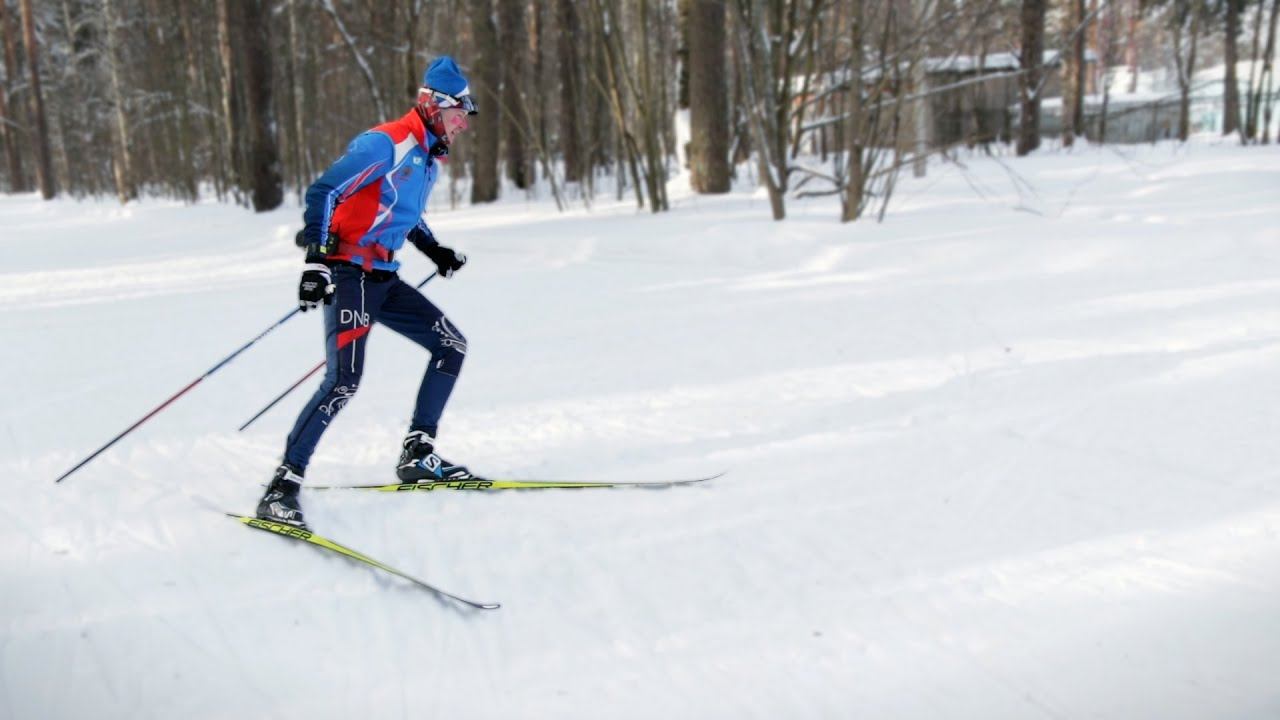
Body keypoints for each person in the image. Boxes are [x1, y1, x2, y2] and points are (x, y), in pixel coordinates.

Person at [257, 56, 479, 528]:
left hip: (382, 277)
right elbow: (324, 192)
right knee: (343, 381)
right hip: (349, 275)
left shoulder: (428, 159)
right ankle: (281, 488)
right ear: (435, 106)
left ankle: (418, 453)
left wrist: (435, 250)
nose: (463, 124)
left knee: (451, 345)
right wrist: (316, 263)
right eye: (460, 114)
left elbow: (404, 214)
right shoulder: (386, 143)